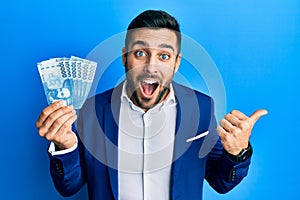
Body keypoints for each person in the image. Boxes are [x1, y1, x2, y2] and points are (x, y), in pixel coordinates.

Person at [36, 10, 267, 200]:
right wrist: (64, 146)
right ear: (125, 57)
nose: (150, 66)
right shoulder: (92, 111)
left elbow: (221, 183)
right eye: (140, 53)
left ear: (176, 63)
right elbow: (69, 186)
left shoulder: (202, 108)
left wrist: (238, 153)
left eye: (164, 56)